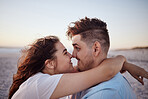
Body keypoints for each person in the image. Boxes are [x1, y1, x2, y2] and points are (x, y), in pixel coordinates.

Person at [9, 36, 127, 99]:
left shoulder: (47, 78)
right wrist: (122, 59)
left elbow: (90, 68)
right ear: (50, 64)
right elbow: (106, 71)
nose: (72, 55)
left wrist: (127, 65)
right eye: (65, 53)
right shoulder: (40, 83)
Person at [66, 17, 148, 99]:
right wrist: (123, 62)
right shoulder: (82, 75)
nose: (73, 55)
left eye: (77, 48)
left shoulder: (104, 93)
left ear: (96, 49)